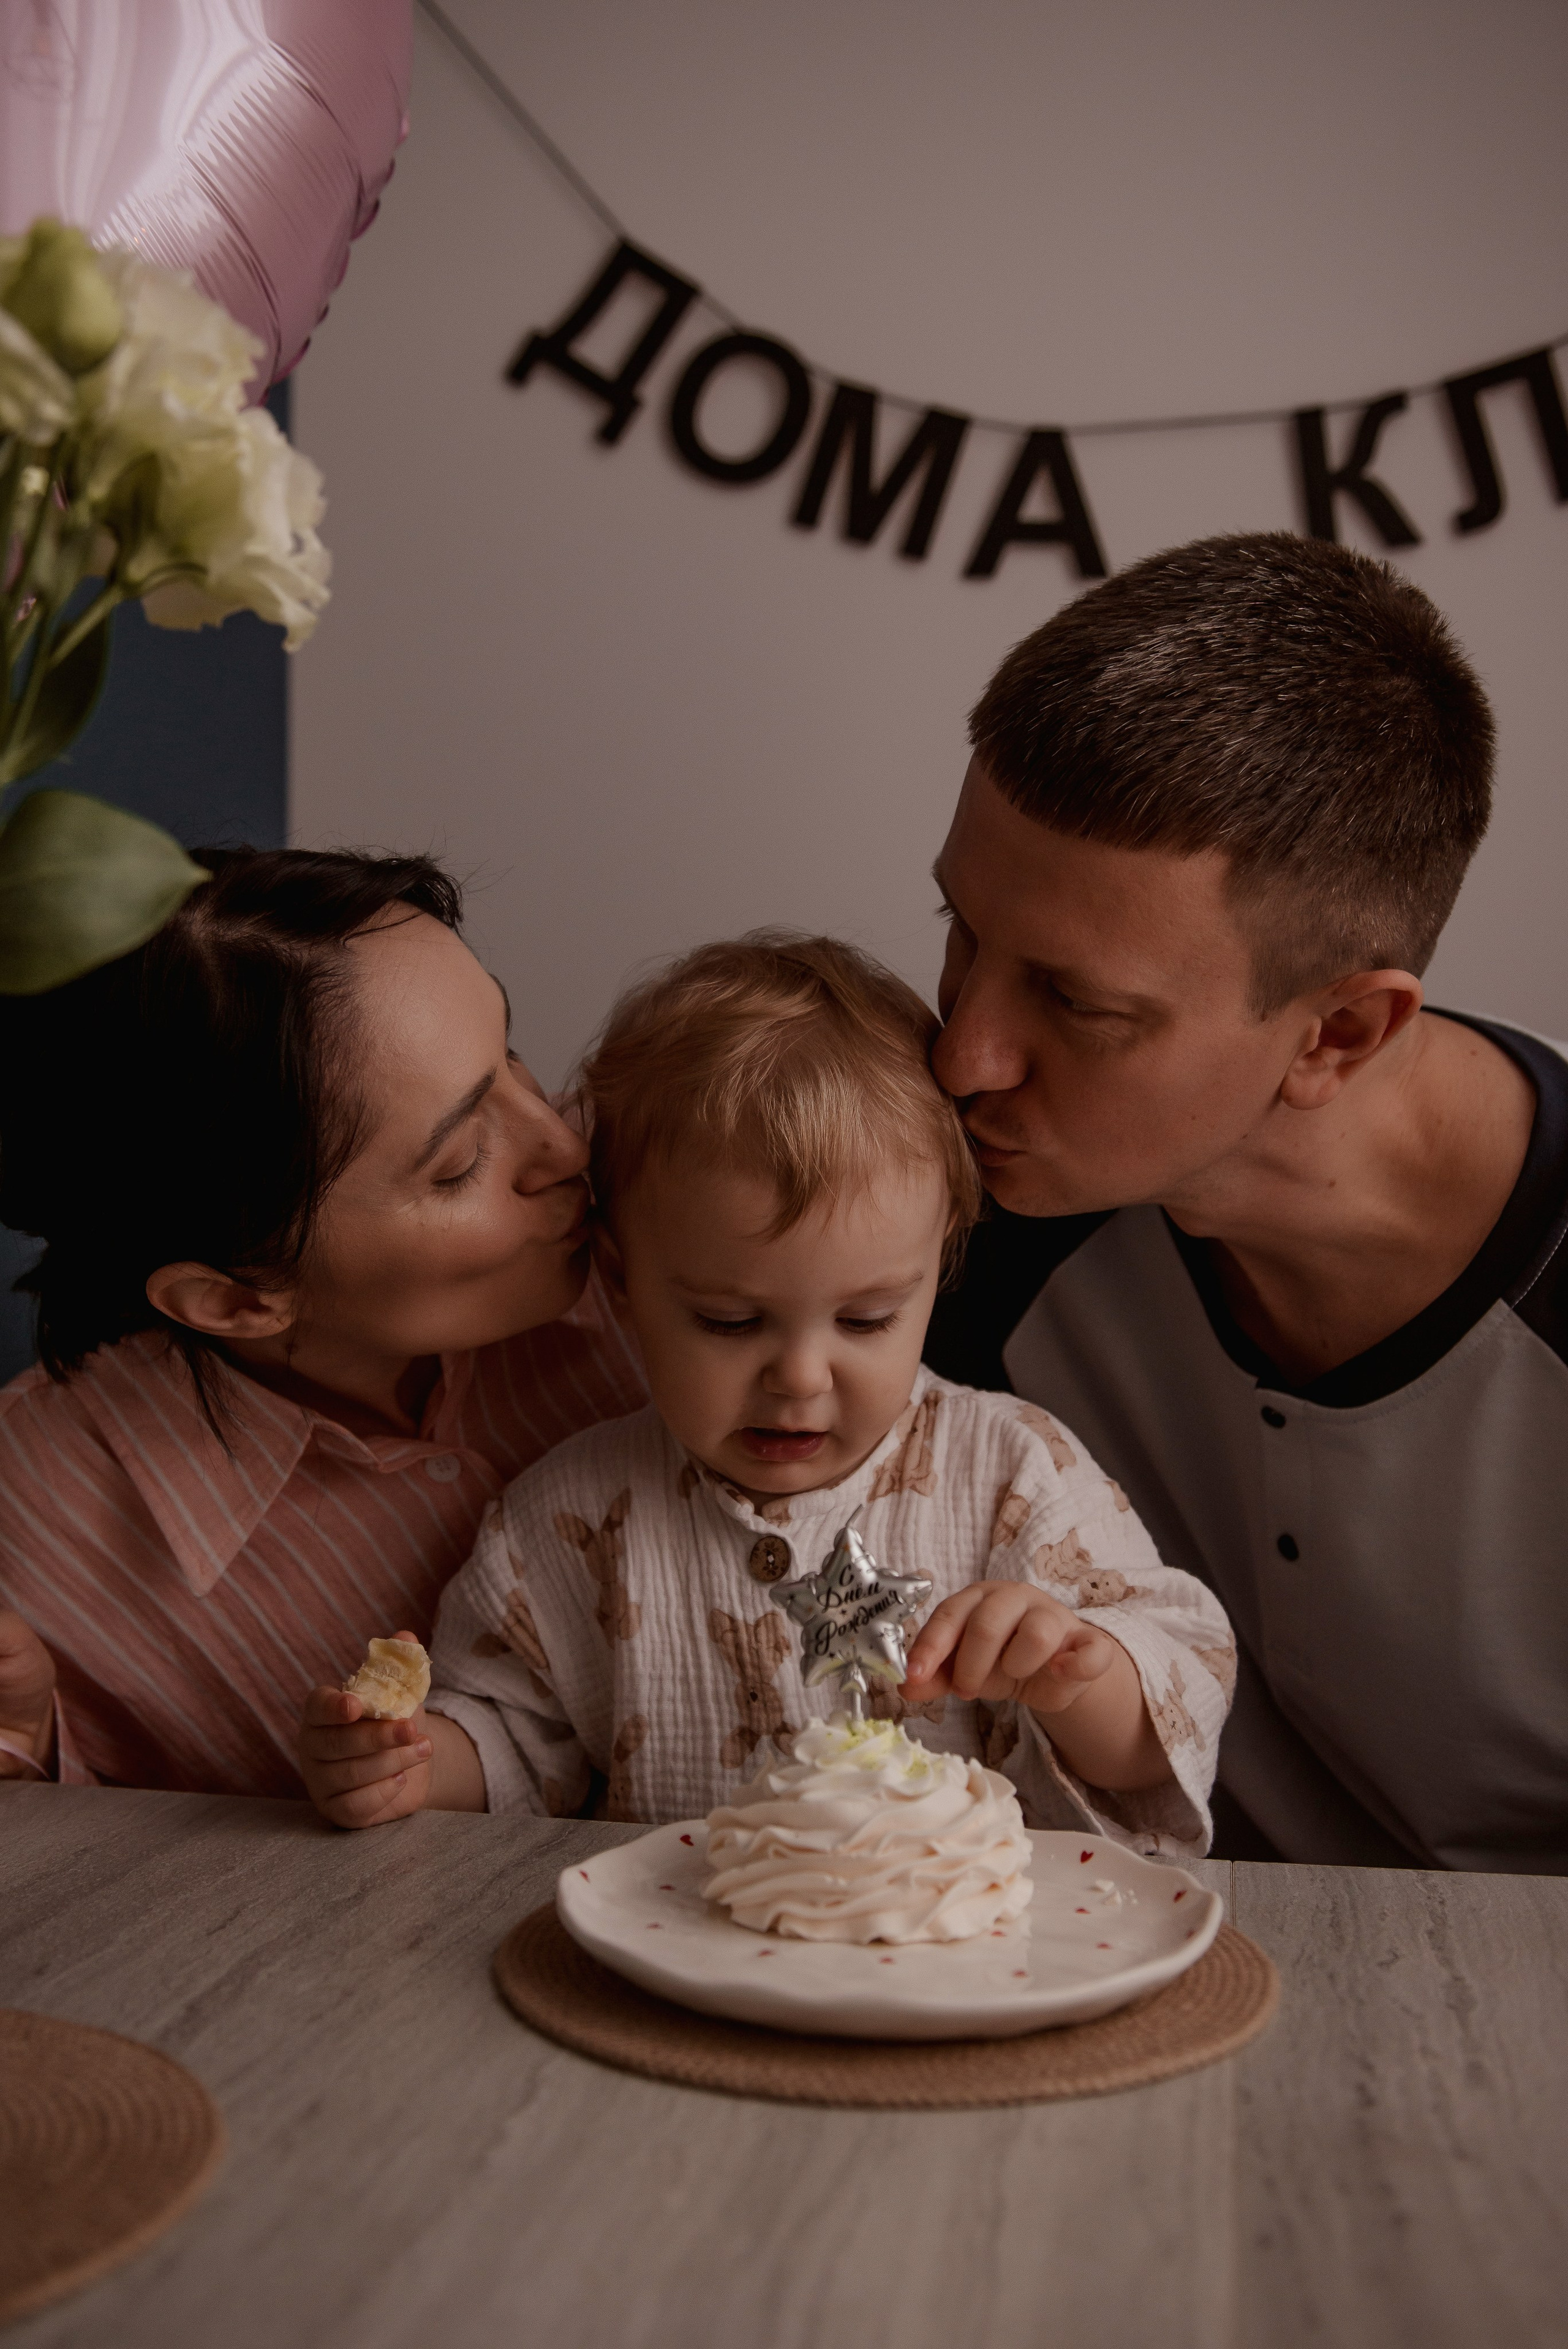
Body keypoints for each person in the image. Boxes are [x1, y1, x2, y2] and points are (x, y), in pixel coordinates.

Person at [922, 530, 1567, 1873]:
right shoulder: (965, 1200)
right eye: (961, 934)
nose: (960, 1055)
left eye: (1077, 1002)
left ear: (1336, 1032)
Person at [296, 935, 1234, 1841]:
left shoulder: (1014, 1471)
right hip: (684, 1960)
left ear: (936, 1265)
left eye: (867, 1320)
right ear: (622, 1283)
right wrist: (415, 1765)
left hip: (957, 1953)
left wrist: (1078, 1676)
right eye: (731, 1323)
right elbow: (511, 1740)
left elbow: (1170, 1721)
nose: (801, 1376)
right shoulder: (567, 1518)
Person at [0, 849, 646, 1793]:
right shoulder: (46, 1518)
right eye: (463, 1160)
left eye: (510, 1053)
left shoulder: (671, 1232)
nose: (564, 1140)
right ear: (236, 1298)